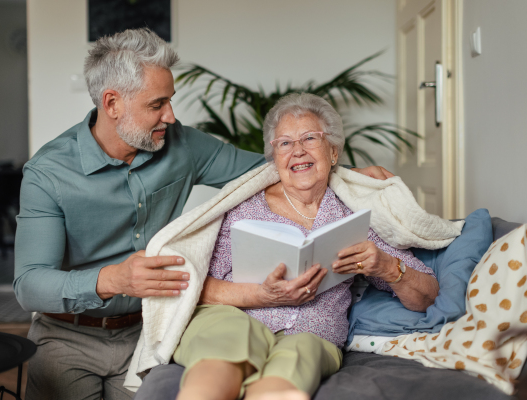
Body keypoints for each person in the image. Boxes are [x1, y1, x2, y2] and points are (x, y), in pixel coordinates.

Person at [13, 29, 392, 400]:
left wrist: (348, 175)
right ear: (112, 104)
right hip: (69, 337)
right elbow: (28, 285)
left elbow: (269, 167)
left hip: (148, 332)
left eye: (170, 100)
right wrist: (114, 279)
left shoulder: (182, 145)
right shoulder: (49, 173)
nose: (171, 116)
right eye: (157, 104)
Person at [133, 93, 442, 400]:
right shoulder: (244, 208)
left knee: (296, 362)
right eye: (285, 143)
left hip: (312, 335)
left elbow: (427, 296)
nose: (297, 151)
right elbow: (193, 286)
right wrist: (261, 296)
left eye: (310, 138)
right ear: (274, 155)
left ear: (333, 152)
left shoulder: (354, 214)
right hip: (234, 318)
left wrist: (387, 267)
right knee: (224, 354)